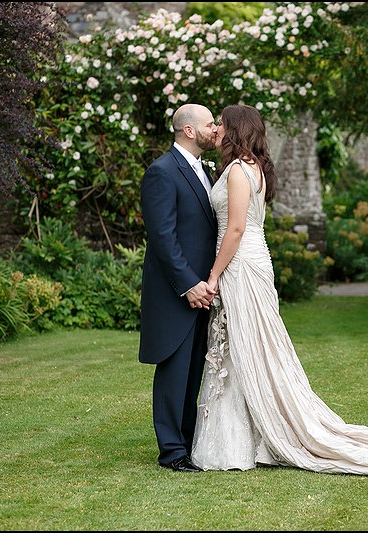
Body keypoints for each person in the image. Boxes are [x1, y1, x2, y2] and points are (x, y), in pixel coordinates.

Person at [191, 104, 368, 475]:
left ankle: (242, 442)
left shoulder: (237, 170)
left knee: (247, 345)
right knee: (244, 347)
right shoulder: (254, 167)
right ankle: (242, 438)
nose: (215, 129)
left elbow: (235, 229)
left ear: (234, 130)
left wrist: (213, 275)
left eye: (221, 124)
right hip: (253, 260)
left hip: (240, 264)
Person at [139, 103, 218, 473]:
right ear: (189, 130)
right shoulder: (162, 171)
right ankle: (171, 452)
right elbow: (163, 238)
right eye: (210, 124)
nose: (215, 129)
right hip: (178, 292)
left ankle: (187, 445)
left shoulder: (203, 170)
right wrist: (188, 285)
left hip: (205, 291)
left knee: (193, 372)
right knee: (174, 372)